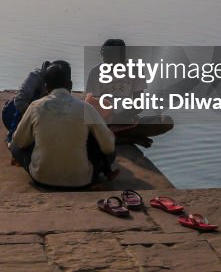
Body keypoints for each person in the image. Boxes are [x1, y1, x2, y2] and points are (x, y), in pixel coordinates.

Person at [10, 61, 118, 189]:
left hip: (42, 179)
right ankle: (98, 172)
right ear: (70, 85)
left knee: (15, 146)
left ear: (46, 86)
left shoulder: (35, 106)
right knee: (104, 146)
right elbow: (108, 147)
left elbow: (19, 141)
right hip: (81, 181)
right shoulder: (86, 108)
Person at [84, 38, 173, 147]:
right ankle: (127, 137)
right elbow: (93, 105)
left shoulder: (135, 69)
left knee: (167, 121)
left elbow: (139, 104)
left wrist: (125, 115)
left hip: (127, 118)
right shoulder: (96, 72)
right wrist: (111, 118)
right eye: (104, 57)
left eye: (110, 58)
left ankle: (122, 135)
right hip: (104, 120)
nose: (106, 62)